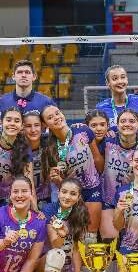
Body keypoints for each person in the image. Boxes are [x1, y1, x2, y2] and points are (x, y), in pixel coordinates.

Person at [42, 105, 104, 244]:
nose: (56, 118)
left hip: (92, 188)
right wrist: (58, 180)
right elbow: (59, 184)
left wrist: (100, 180)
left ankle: (89, 266)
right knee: (71, 236)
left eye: (57, 113)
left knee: (90, 237)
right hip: (71, 194)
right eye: (50, 118)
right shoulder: (49, 147)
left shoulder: (83, 130)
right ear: (46, 124)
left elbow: (97, 158)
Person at [42, 178, 90, 272]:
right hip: (45, 263)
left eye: (73, 194)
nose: (67, 197)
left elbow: (75, 249)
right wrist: (62, 235)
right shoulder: (49, 209)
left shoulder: (80, 213)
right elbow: (55, 244)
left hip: (66, 267)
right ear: (58, 193)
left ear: (78, 197)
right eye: (64, 192)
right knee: (57, 254)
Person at [99, 109, 138, 241]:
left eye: (132, 121)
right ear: (117, 125)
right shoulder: (108, 141)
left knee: (134, 240)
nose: (127, 124)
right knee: (109, 239)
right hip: (109, 199)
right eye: (123, 121)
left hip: (134, 201)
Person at [23, 110, 53, 209]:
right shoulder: (18, 147)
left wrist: (77, 127)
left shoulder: (50, 142)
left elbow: (66, 134)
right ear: (22, 128)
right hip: (23, 197)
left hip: (46, 197)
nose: (33, 130)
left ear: (43, 126)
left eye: (36, 125)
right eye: (28, 126)